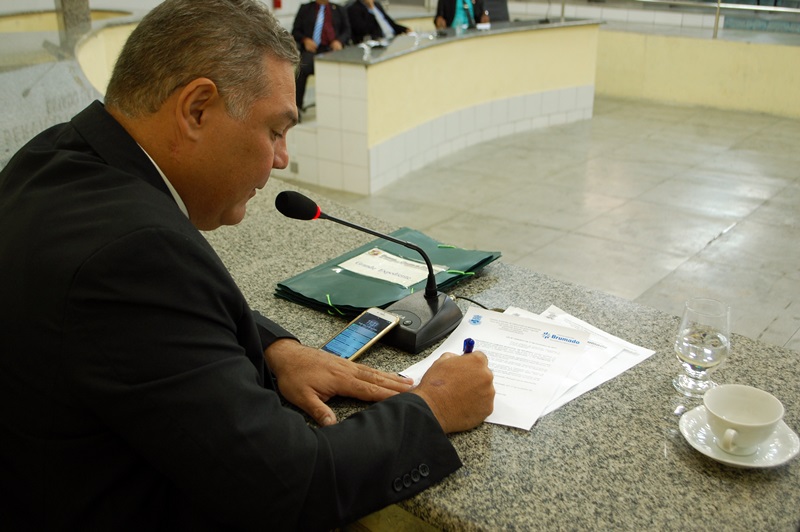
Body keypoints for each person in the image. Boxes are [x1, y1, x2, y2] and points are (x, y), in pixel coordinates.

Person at [0, 0, 495, 530]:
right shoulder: (136, 252)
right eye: (275, 131)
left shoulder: (50, 158)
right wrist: (434, 407)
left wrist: (276, 349)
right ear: (197, 110)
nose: (281, 159)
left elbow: (154, 325)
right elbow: (288, 486)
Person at [292, 0, 351, 113]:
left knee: (345, 68)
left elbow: (347, 31)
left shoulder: (339, 10)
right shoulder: (305, 9)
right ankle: (296, 107)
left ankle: (341, 105)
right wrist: (305, 40)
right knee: (301, 68)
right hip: (313, 50)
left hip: (332, 50)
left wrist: (339, 41)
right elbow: (295, 31)